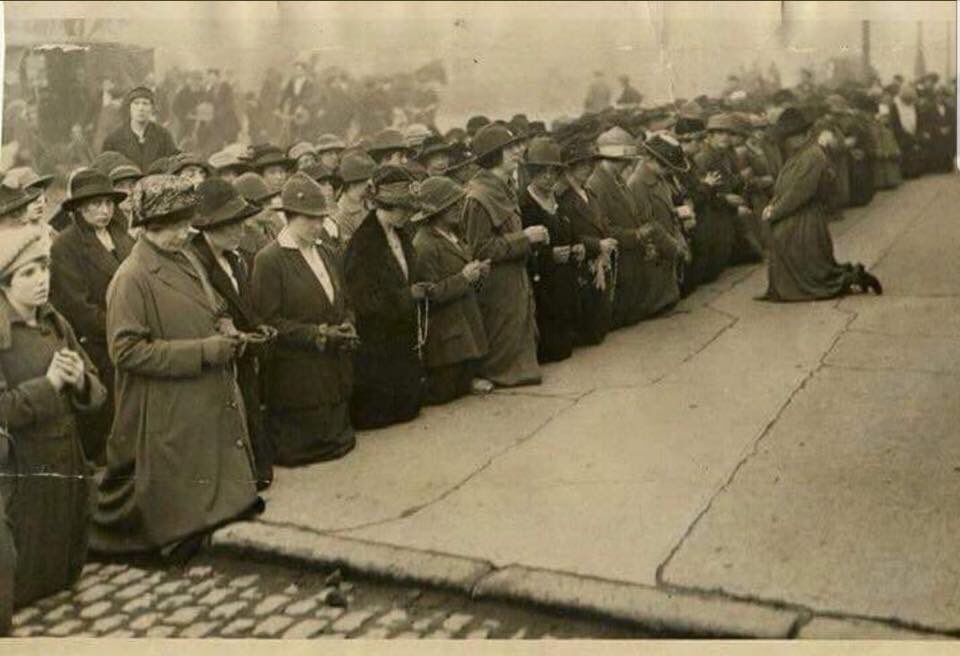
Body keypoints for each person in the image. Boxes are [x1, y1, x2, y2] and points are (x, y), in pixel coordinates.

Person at [91, 175, 261, 562]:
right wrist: (204, 351)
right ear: (150, 229)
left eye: (188, 224)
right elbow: (127, 352)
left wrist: (226, 326)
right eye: (178, 227)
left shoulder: (184, 258)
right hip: (164, 405)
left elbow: (211, 303)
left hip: (200, 398)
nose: (187, 234)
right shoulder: (130, 279)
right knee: (173, 498)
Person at [0, 225, 106, 607]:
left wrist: (79, 381)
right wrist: (49, 385)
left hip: (67, 461)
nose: (41, 279)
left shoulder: (56, 322)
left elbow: (96, 388)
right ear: (5, 283)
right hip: (23, 471)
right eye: (28, 273)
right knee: (26, 576)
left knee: (63, 567)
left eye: (43, 268)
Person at [252, 174, 357, 463]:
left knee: (337, 437)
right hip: (297, 378)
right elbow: (270, 322)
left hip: (332, 374)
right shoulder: (270, 260)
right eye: (308, 219)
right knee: (304, 445)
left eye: (321, 218)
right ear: (288, 217)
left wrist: (348, 321)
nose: (317, 226)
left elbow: (344, 299)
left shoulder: (327, 252)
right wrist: (317, 333)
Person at [191, 178, 278, 488]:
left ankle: (256, 471)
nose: (240, 230)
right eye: (232, 224)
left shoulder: (234, 258)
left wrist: (256, 326)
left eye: (241, 222)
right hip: (220, 354)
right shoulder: (195, 263)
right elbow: (205, 313)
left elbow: (244, 303)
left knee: (249, 406)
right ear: (210, 227)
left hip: (242, 352)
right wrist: (235, 333)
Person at [50, 169, 134, 464]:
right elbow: (79, 308)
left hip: (131, 336)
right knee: (105, 420)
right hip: (97, 344)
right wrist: (124, 329)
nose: (104, 210)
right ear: (78, 208)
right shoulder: (65, 246)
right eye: (95, 204)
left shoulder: (122, 238)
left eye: (109, 203)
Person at [758, 108, 882, 302]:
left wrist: (774, 212)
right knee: (810, 269)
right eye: (789, 136)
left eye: (796, 135)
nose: (791, 140)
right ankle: (848, 278)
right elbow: (785, 187)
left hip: (804, 220)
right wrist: (773, 204)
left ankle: (853, 278)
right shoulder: (799, 154)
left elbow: (798, 193)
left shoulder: (812, 156)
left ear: (806, 133)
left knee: (813, 276)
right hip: (797, 216)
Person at [344, 166, 428, 428]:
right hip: (376, 342)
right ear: (386, 205)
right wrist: (407, 296)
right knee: (381, 407)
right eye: (403, 208)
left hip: (400, 337)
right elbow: (363, 301)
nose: (407, 214)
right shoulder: (363, 244)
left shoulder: (400, 233)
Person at [462, 124, 544, 387]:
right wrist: (525, 238)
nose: (517, 152)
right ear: (493, 155)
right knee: (503, 335)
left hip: (513, 279)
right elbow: (480, 249)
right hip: (497, 284)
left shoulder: (501, 188)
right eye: (509, 149)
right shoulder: (478, 197)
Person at [412, 176, 492, 404]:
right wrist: (464, 278)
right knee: (445, 390)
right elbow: (429, 294)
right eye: (451, 205)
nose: (458, 208)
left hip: (464, 322)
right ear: (435, 211)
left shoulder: (454, 234)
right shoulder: (424, 245)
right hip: (446, 333)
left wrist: (477, 273)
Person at [519, 137, 583, 363]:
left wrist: (577, 247)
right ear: (531, 173)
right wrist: (549, 255)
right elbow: (523, 249)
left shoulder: (557, 200)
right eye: (542, 171)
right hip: (542, 282)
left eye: (553, 172)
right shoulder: (524, 205)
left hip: (563, 280)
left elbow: (571, 232)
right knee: (551, 344)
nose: (548, 177)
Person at [586, 126, 656, 329]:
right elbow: (602, 227)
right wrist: (635, 235)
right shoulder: (597, 184)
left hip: (630, 258)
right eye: (622, 161)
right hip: (618, 260)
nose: (625, 165)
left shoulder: (617, 180)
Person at [557, 141, 616, 346]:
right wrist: (597, 244)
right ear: (568, 168)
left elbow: (602, 222)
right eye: (580, 164)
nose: (587, 168)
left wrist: (605, 241)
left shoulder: (589, 193)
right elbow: (566, 234)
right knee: (587, 315)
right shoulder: (563, 198)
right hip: (581, 262)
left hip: (599, 260)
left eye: (589, 164)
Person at [627, 133, 692, 316]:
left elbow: (671, 213)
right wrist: (674, 246)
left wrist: (679, 239)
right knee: (656, 298)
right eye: (664, 165)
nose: (668, 170)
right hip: (657, 248)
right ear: (649, 158)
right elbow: (648, 222)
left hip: (669, 243)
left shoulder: (660, 179)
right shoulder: (637, 183)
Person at [101, 87, 178, 173]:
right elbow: (104, 169)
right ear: (129, 107)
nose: (140, 108)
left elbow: (173, 164)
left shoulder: (163, 136)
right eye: (136, 103)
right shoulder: (114, 139)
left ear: (152, 108)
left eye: (145, 104)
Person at [233, 172, 284, 260]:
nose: (270, 207)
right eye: (264, 203)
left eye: (270, 202)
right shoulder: (239, 243)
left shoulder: (276, 228)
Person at [333, 150, 377, 244]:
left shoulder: (369, 200)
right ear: (352, 184)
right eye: (365, 180)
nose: (370, 183)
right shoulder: (342, 215)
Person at [1, 167, 55, 238]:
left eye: (40, 193)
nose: (40, 201)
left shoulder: (49, 234)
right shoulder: (6, 236)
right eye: (30, 195)